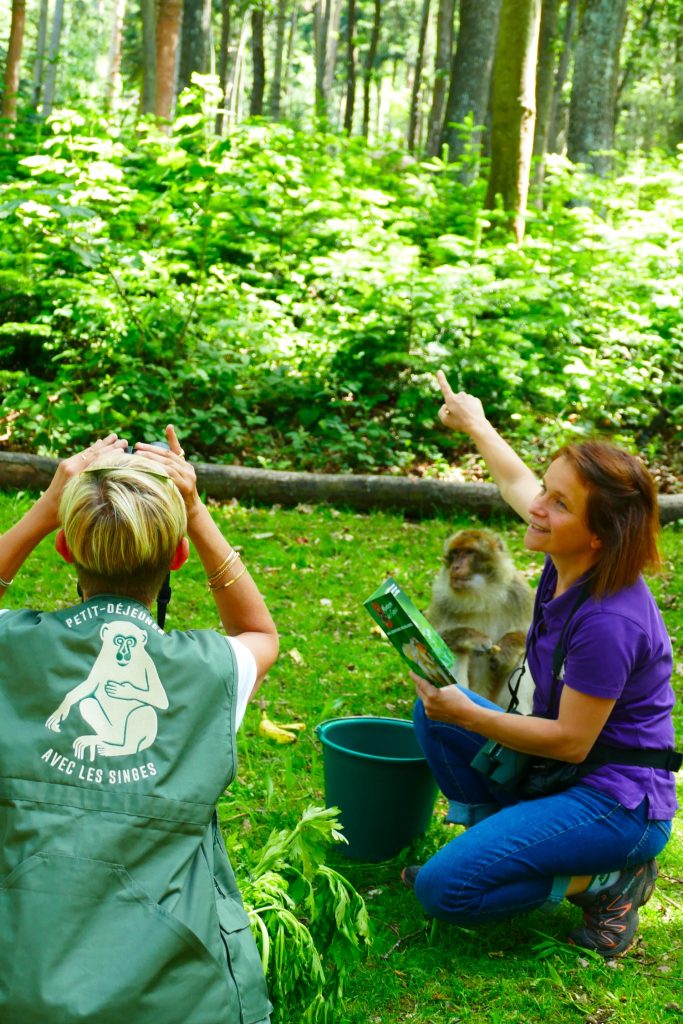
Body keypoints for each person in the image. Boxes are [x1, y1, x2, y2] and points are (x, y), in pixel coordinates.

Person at [0, 429, 279, 1022]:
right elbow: (260, 634)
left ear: (65, 549)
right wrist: (198, 515)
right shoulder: (213, 670)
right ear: (177, 556)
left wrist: (46, 509)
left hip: (16, 982)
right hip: (179, 995)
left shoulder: (9, 649)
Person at [403, 371, 678, 958]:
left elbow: (572, 742)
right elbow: (515, 481)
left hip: (614, 799)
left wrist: (474, 717)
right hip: (561, 773)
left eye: (558, 503)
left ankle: (608, 881)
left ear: (599, 535)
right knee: (434, 710)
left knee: (444, 890)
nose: (537, 507)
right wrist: (474, 421)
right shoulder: (568, 553)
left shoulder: (611, 620)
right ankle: (495, 841)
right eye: (545, 492)